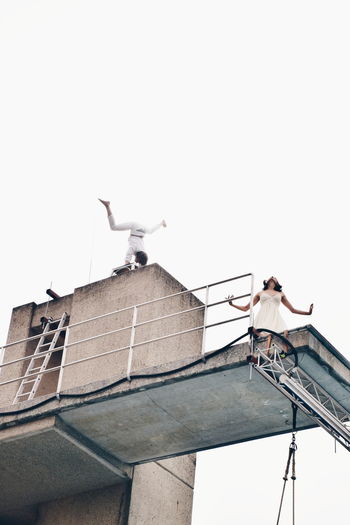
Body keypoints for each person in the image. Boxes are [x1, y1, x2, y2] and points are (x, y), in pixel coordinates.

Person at [227, 276, 313, 349]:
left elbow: (292, 310)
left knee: (283, 332)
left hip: (275, 318)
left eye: (274, 278)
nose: (272, 277)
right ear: (266, 282)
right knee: (260, 332)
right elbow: (246, 308)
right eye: (271, 277)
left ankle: (283, 352)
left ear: (277, 283)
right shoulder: (260, 293)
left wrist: (308, 313)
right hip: (263, 317)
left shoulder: (280, 293)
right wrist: (232, 304)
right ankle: (258, 341)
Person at [98, 199, 167, 267]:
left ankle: (161, 223)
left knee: (150, 231)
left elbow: (142, 263)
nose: (136, 261)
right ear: (138, 258)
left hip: (142, 231)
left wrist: (139, 265)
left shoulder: (143, 251)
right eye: (137, 261)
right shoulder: (133, 248)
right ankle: (107, 206)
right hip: (135, 227)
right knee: (113, 227)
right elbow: (128, 256)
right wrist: (126, 264)